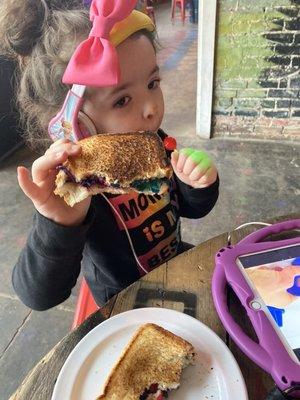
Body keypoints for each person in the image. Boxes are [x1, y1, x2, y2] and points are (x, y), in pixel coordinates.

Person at [0, 0, 219, 310]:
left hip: (174, 263)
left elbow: (188, 208)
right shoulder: (76, 187)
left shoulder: (157, 144)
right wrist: (60, 222)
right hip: (121, 296)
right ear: (76, 123)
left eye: (152, 83)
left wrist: (199, 184)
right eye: (122, 100)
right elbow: (39, 296)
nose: (151, 108)